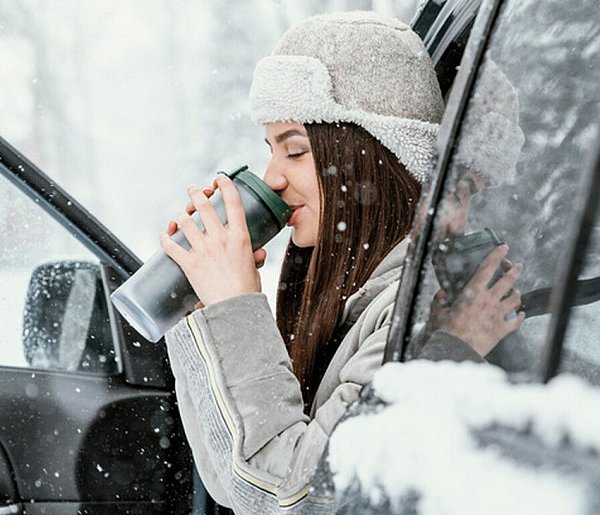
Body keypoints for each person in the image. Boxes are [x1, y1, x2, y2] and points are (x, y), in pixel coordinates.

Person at [159, 11, 524, 513]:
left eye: (295, 151)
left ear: (368, 157)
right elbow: (231, 475)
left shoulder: (422, 313)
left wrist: (234, 306)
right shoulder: (355, 299)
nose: (272, 177)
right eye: (270, 150)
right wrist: (203, 307)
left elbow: (290, 497)